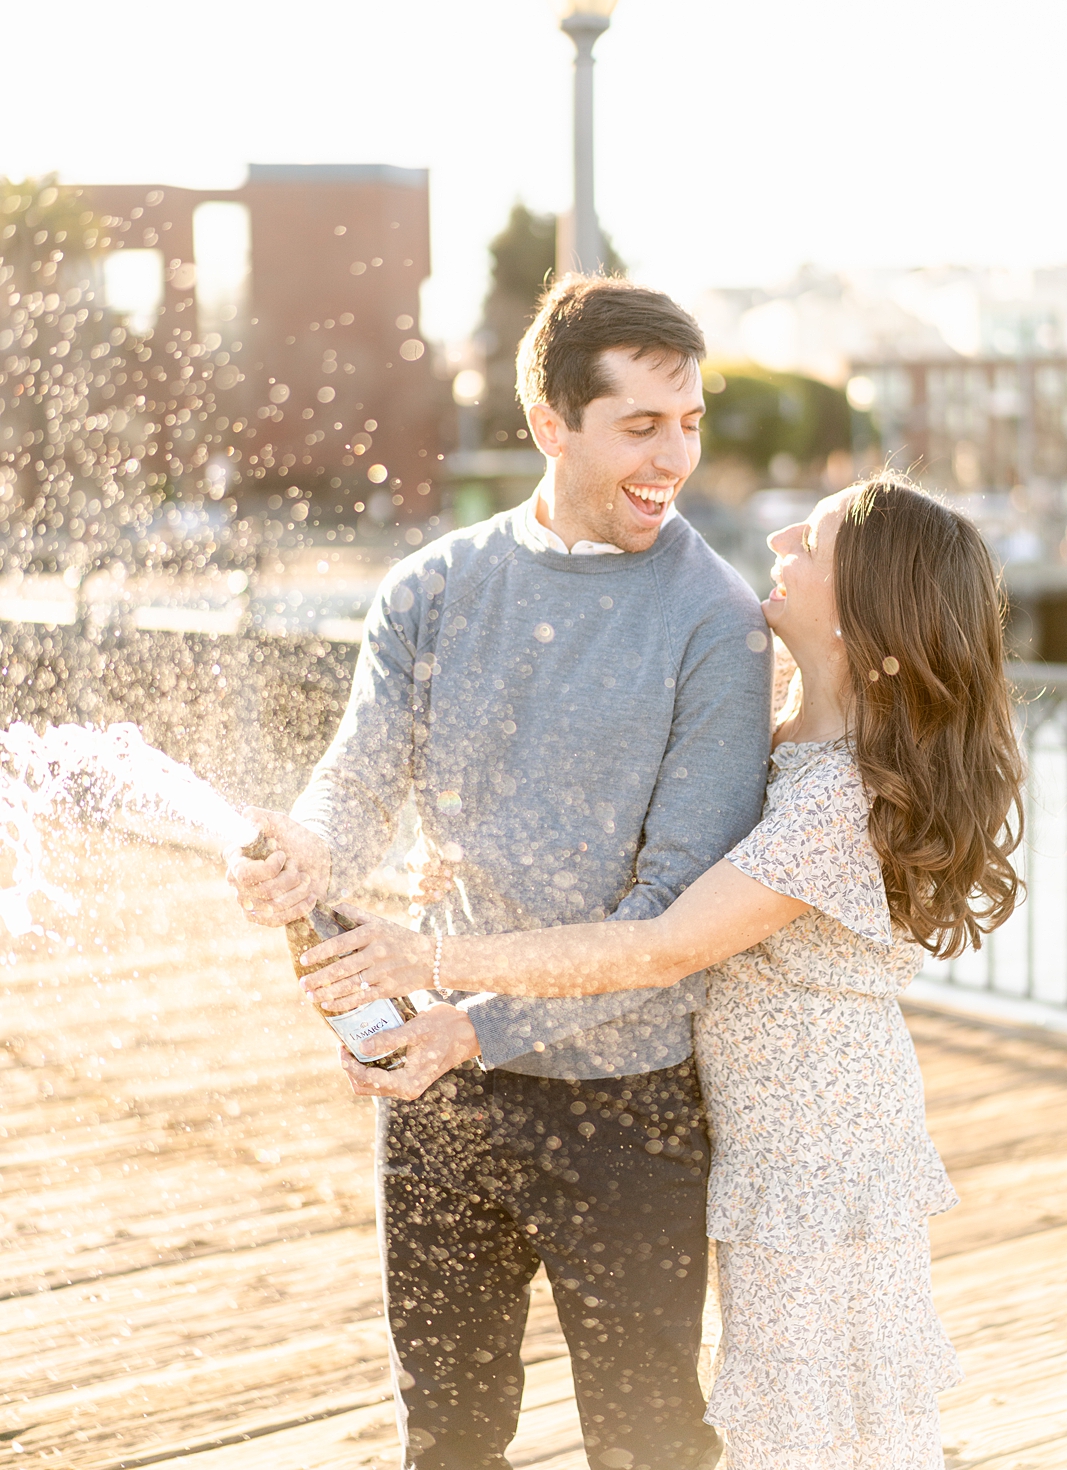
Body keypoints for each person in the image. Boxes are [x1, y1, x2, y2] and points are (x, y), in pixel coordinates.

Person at [306, 474, 1025, 1470]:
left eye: (811, 543)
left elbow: (663, 942)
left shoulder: (842, 803)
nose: (776, 537)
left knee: (805, 1433)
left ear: (873, 626)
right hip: (765, 1146)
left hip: (816, 1163)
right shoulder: (790, 749)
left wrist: (429, 959)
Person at [229, 274, 773, 1470]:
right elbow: (357, 782)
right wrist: (305, 847)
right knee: (447, 1434)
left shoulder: (717, 624)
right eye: (639, 425)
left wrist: (472, 1021)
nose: (671, 456)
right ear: (550, 425)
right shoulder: (429, 589)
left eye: (687, 422)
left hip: (624, 1106)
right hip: (440, 1089)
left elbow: (670, 918)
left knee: (646, 1444)